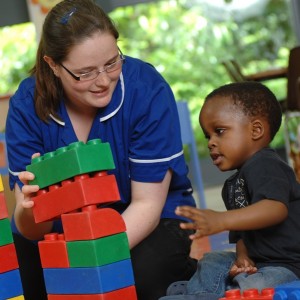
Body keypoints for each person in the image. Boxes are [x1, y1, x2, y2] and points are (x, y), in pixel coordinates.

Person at [5, 1, 198, 299]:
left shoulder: (145, 89)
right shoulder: (26, 104)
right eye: (85, 73)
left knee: (140, 278)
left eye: (112, 62)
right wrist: (32, 211)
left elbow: (147, 205)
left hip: (148, 218)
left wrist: (89, 262)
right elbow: (30, 229)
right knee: (25, 280)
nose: (104, 80)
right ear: (53, 65)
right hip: (63, 229)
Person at [160, 81, 300, 300]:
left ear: (256, 130)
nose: (211, 143)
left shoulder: (267, 165)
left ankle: (209, 293)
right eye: (208, 136)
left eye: (219, 131)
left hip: (289, 266)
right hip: (258, 263)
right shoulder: (233, 185)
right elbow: (242, 235)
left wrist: (222, 220)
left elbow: (275, 209)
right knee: (212, 259)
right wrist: (243, 258)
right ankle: (201, 294)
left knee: (258, 283)